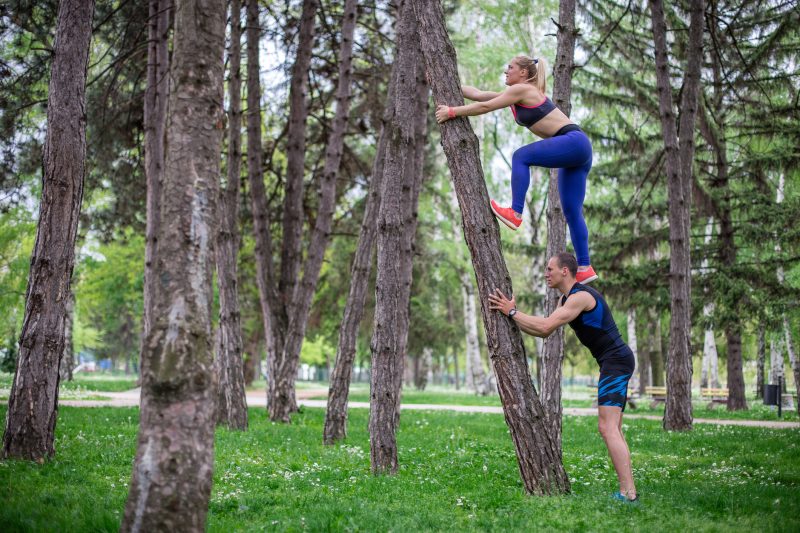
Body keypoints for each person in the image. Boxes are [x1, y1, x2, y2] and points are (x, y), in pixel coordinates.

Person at [487, 252, 638, 503]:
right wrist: (511, 314)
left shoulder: (580, 297)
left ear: (564, 271)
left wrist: (512, 312)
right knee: (614, 428)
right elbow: (543, 331)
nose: (546, 274)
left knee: (607, 427)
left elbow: (544, 327)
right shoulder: (565, 300)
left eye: (550, 269)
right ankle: (628, 491)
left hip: (617, 361)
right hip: (613, 361)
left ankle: (628, 494)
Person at [435, 55, 597, 284]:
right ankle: (585, 267)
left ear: (523, 73)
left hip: (574, 142)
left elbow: (485, 106)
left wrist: (452, 112)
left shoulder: (522, 89)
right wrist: (438, 82)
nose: (505, 71)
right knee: (571, 211)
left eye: (510, 67)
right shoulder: (516, 95)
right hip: (578, 151)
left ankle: (516, 212)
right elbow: (479, 94)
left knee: (521, 156)